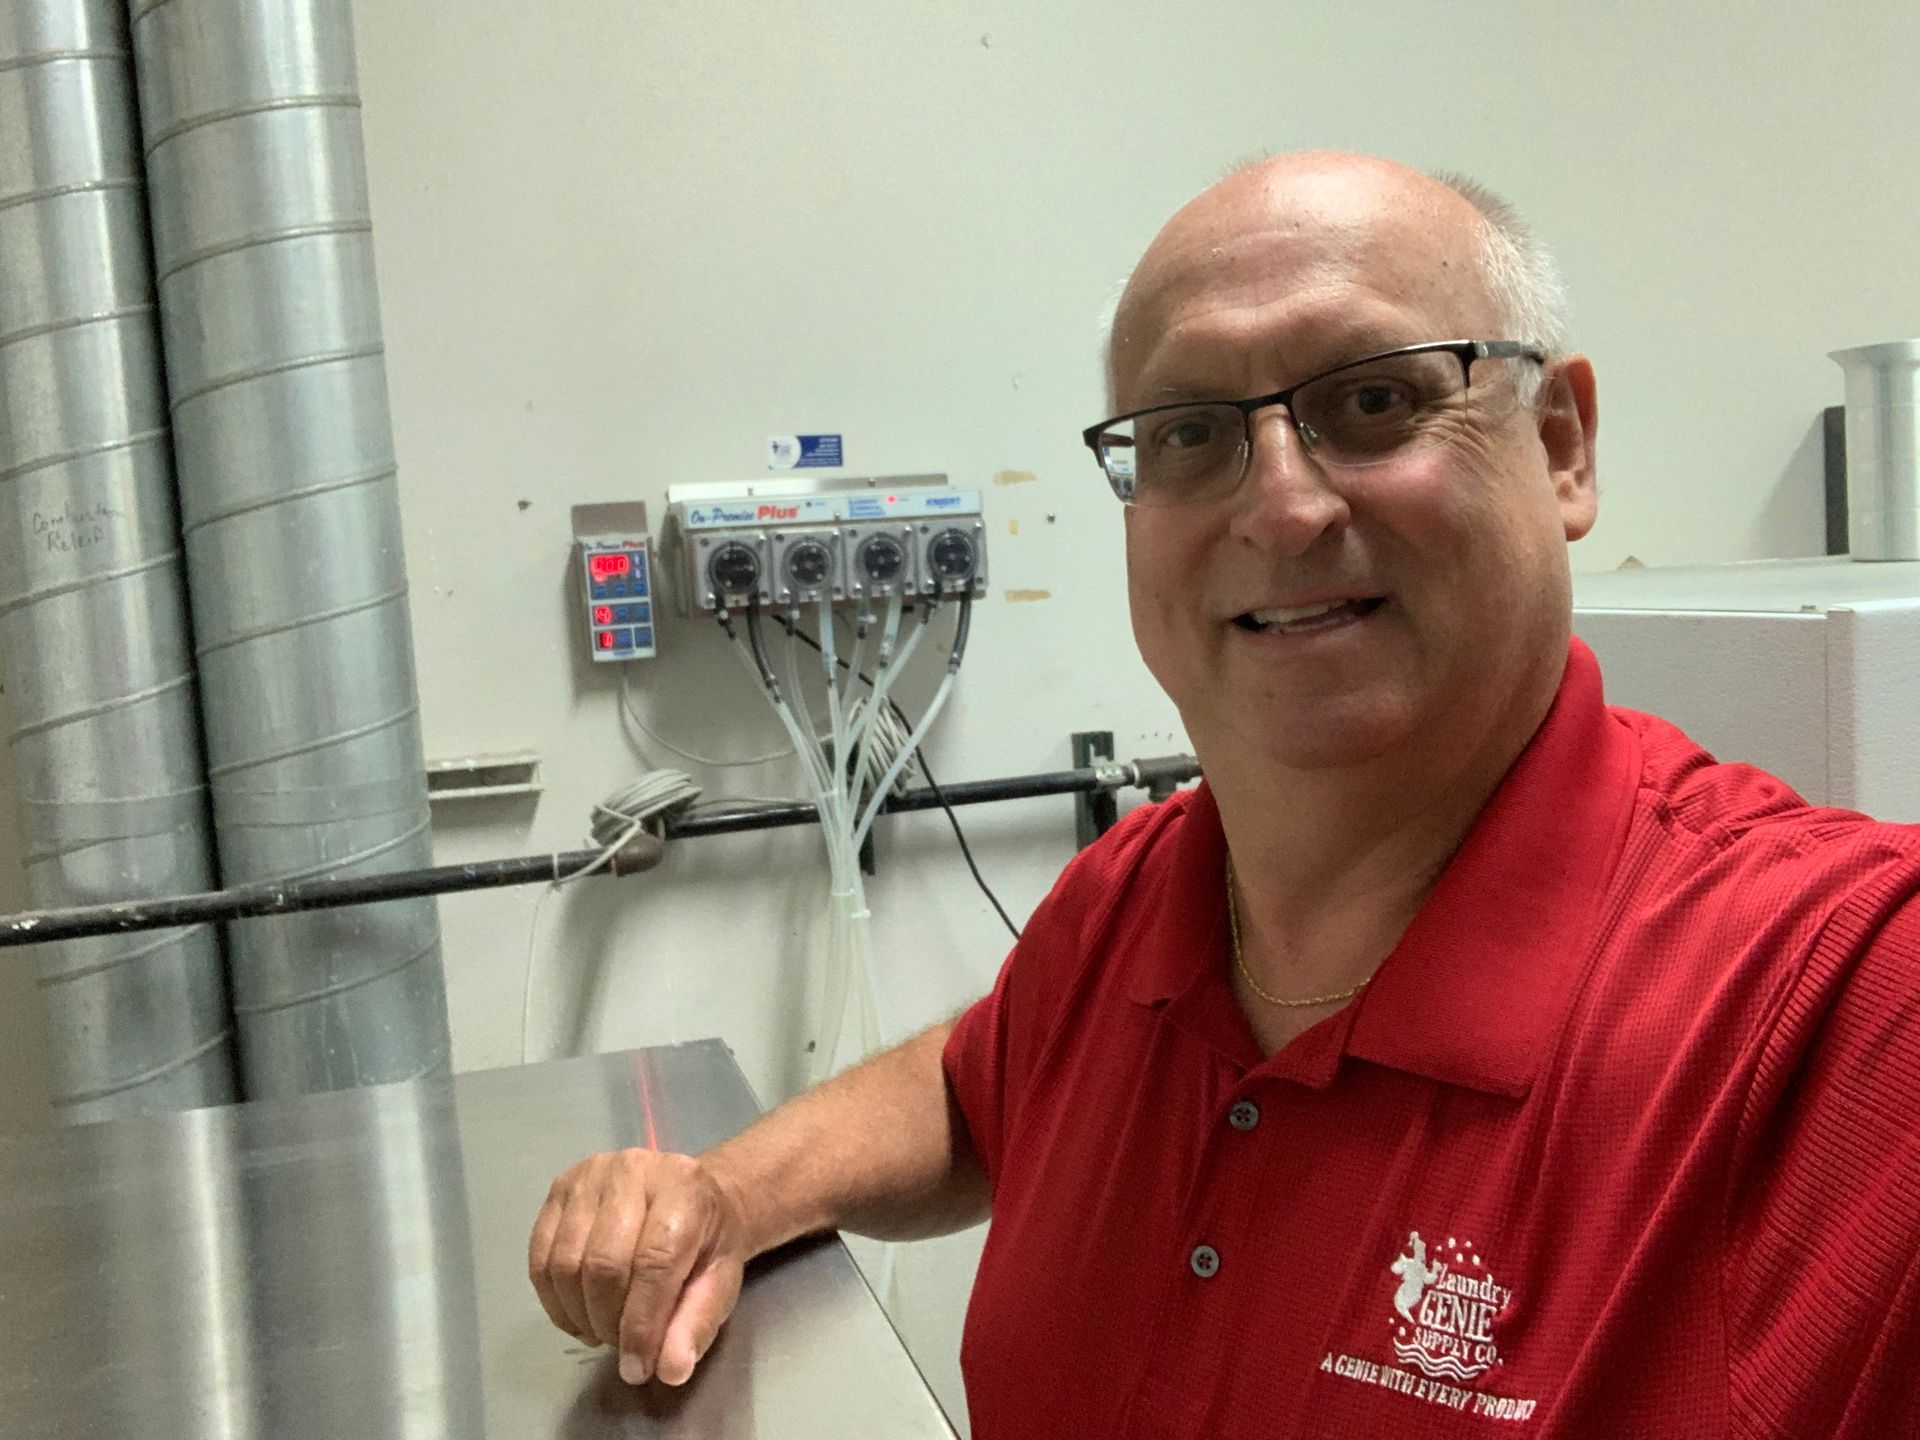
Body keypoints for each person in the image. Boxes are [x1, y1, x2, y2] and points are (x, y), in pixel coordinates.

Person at [527, 151, 1920, 1437]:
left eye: (1374, 399)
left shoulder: (1832, 1005)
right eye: (1191, 432)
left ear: (1561, 444)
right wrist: (722, 1195)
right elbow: (975, 1084)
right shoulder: (1141, 904)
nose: (1282, 505)